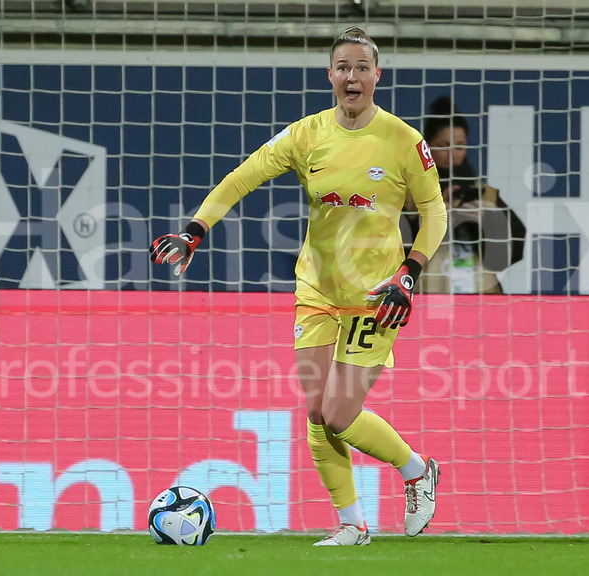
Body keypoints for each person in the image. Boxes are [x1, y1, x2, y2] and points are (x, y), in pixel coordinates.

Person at [150, 27, 447, 546]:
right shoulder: (306, 134)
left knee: (338, 413)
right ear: (330, 75)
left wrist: (411, 271)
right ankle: (352, 524)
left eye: (361, 67)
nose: (351, 77)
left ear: (377, 76)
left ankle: (418, 471)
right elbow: (243, 176)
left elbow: (434, 213)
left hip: (377, 295)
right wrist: (195, 230)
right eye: (342, 67)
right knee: (316, 412)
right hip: (316, 289)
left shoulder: (404, 141)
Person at [402, 96, 526, 294]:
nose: (452, 153)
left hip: (479, 291)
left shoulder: (484, 194)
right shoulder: (409, 193)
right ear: (427, 146)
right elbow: (388, 243)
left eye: (459, 146)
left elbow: (512, 250)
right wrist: (435, 218)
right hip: (424, 288)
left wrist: (488, 219)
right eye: (443, 145)